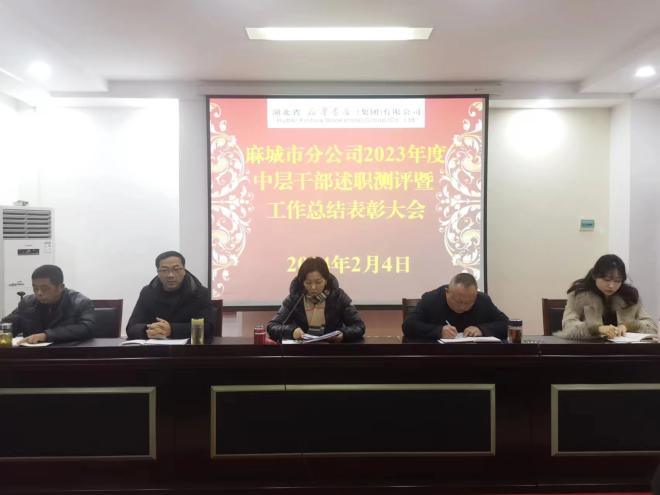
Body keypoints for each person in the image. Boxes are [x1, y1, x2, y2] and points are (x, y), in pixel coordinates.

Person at [555, 254, 658, 340]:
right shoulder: (579, 295)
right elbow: (568, 326)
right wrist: (597, 329)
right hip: (590, 351)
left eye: (617, 281)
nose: (611, 285)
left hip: (625, 351)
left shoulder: (629, 296)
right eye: (607, 280)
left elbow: (652, 326)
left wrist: (628, 326)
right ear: (595, 276)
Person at [267, 257, 365, 342]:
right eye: (308, 283)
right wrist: (291, 331)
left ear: (326, 280)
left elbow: (359, 326)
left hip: (332, 350)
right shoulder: (295, 298)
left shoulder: (338, 297)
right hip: (302, 351)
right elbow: (272, 326)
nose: (313, 287)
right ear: (302, 282)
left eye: (318, 282)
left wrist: (344, 334)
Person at [126, 251, 215, 341]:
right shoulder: (147, 293)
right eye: (164, 270)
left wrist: (172, 330)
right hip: (154, 347)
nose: (170, 275)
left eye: (176, 269)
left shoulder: (200, 293)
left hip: (189, 347)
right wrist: (149, 329)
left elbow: (207, 328)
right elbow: (131, 327)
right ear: (158, 273)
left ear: (184, 270)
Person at [1, 264, 94, 344]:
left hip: (68, 353)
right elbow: (8, 324)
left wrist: (46, 336)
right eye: (35, 288)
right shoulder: (27, 303)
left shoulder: (80, 302)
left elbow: (87, 328)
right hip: (33, 354)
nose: (39, 293)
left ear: (61, 287)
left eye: (44, 288)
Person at [402, 272, 509, 340]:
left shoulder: (483, 301)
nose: (463, 307)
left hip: (473, 357)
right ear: (447, 292)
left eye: (469, 302)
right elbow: (408, 325)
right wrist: (438, 331)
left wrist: (482, 329)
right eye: (458, 301)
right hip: (437, 357)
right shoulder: (431, 299)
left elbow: (508, 325)